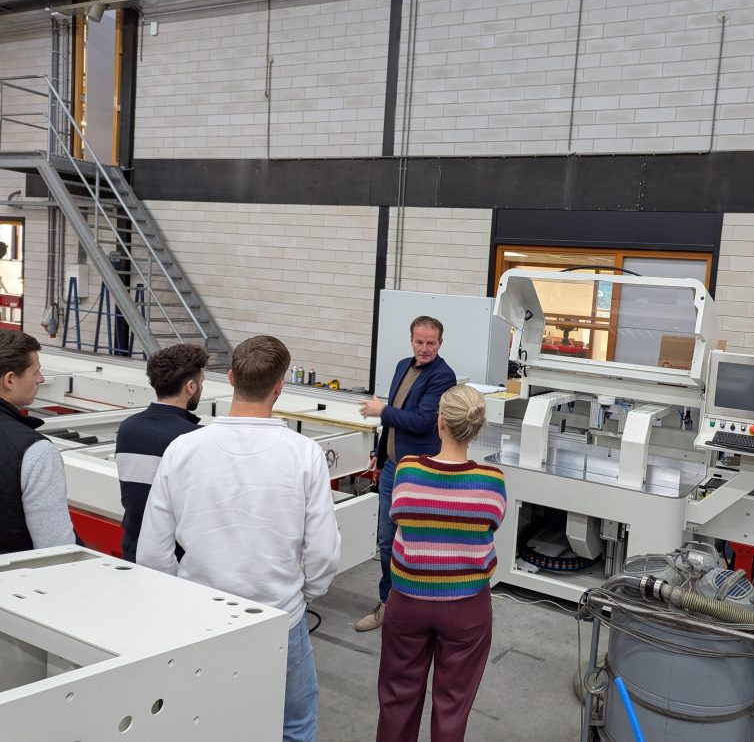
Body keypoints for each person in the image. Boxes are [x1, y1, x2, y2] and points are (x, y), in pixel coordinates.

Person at [137, 336, 341, 742]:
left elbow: (152, 553)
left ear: (230, 378)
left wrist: (186, 596)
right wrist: (302, 596)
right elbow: (323, 552)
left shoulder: (183, 449)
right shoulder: (304, 454)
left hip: (200, 616)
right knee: (293, 725)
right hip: (280, 617)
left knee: (204, 722)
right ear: (280, 386)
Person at [375, 385, 506, 742]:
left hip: (407, 600)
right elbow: (492, 523)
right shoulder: (492, 481)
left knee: (397, 699)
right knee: (452, 707)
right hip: (467, 605)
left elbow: (398, 515)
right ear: (476, 427)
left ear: (440, 422)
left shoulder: (408, 470)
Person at [355, 315, 456, 632]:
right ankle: (388, 603)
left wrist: (381, 410)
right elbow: (394, 421)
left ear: (440, 343)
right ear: (411, 340)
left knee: (414, 542)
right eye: (419, 342)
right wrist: (380, 453)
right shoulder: (402, 366)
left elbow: (423, 422)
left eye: (431, 343)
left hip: (418, 472)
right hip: (392, 468)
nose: (424, 348)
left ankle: (415, 607)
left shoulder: (443, 376)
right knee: (387, 541)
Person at [115, 343, 207, 562]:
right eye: (202, 383)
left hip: (133, 549)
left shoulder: (128, 427)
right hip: (174, 559)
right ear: (191, 386)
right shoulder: (194, 438)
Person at [0, 331, 76, 554]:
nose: (41, 379)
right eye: (35, 371)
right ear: (10, 380)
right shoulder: (35, 451)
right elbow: (55, 548)